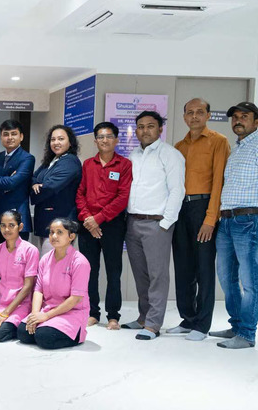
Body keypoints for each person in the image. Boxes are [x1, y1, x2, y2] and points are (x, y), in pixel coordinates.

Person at [210, 102, 258, 349]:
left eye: (244, 116)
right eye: (235, 117)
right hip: (227, 222)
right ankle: (236, 325)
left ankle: (247, 334)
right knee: (226, 278)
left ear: (257, 122)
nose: (238, 121)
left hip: (249, 222)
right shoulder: (237, 149)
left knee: (250, 281)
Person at [166, 99, 229, 341]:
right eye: (190, 113)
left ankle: (202, 325)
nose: (194, 116)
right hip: (180, 209)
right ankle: (188, 318)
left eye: (199, 112)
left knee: (204, 269)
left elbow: (219, 182)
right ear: (184, 117)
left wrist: (210, 219)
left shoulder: (218, 141)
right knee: (183, 267)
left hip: (204, 208)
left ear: (208, 115)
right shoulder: (179, 146)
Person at [122, 111, 185, 340]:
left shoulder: (171, 155)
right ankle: (143, 317)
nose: (145, 130)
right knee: (141, 275)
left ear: (160, 129)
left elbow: (177, 190)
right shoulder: (133, 155)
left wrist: (166, 223)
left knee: (158, 275)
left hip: (157, 224)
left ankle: (153, 324)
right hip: (133, 222)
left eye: (150, 126)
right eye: (140, 126)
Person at [75, 122, 132, 330]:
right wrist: (88, 219)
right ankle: (92, 313)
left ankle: (113, 316)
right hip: (87, 225)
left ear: (116, 140)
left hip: (112, 225)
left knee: (113, 272)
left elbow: (122, 197)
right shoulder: (88, 164)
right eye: (100, 137)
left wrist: (98, 219)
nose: (104, 140)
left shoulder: (124, 165)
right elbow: (80, 194)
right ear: (95, 141)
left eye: (108, 136)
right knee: (89, 271)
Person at [19, 218, 91, 349]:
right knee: (23, 333)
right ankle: (45, 326)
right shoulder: (45, 259)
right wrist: (35, 314)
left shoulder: (80, 262)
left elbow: (75, 299)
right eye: (51, 232)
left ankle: (77, 334)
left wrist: (46, 316)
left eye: (59, 232)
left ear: (71, 236)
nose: (54, 236)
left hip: (71, 312)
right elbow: (38, 290)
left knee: (44, 337)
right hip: (48, 309)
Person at [0, 209, 39, 342]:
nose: (6, 229)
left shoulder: (30, 250)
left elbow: (28, 286)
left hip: (19, 304)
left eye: (11, 225)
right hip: (0, 302)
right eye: (3, 225)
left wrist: (6, 313)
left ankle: (15, 326)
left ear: (20, 227)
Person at [30, 125, 82, 253]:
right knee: (47, 261)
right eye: (53, 139)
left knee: (52, 262)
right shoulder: (51, 161)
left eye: (61, 139)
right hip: (47, 221)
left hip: (61, 222)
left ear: (70, 142)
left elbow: (50, 187)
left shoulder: (70, 162)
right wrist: (34, 184)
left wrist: (32, 191)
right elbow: (33, 177)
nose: (56, 142)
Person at [0, 119, 35, 245]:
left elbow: (11, 183)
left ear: (21, 136)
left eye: (14, 134)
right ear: (1, 137)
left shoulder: (27, 158)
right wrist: (5, 181)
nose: (10, 137)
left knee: (17, 256)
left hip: (17, 217)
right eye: (6, 134)